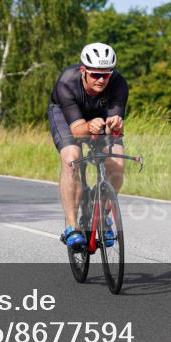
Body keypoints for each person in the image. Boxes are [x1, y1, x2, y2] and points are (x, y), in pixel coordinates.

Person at [47, 42, 128, 247]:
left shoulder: (118, 83)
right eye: (95, 75)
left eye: (106, 75)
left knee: (117, 160)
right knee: (71, 159)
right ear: (83, 70)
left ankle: (103, 216)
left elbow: (113, 130)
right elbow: (77, 130)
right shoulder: (67, 82)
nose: (101, 80)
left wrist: (115, 125)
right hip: (67, 117)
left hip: (98, 117)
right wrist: (89, 126)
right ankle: (72, 226)